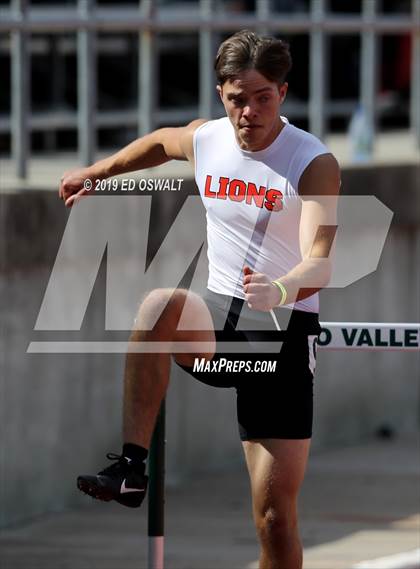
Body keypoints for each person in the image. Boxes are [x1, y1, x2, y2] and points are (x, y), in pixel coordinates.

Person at [60, 30, 340, 569]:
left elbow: (321, 258)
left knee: (274, 519)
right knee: (157, 307)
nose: (249, 113)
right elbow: (163, 143)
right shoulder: (208, 138)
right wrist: (97, 173)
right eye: (238, 99)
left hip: (281, 331)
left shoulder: (312, 162)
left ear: (283, 93)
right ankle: (131, 467)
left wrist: (280, 288)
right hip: (219, 319)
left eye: (263, 98)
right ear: (222, 95)